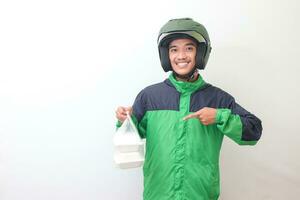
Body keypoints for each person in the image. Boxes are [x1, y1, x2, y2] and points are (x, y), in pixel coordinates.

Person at [115, 18, 262, 200]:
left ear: (200, 53)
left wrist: (219, 116)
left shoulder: (217, 98)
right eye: (174, 49)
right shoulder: (149, 96)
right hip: (158, 194)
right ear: (166, 55)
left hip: (200, 195)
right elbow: (131, 137)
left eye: (189, 48)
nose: (181, 56)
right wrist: (125, 121)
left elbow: (253, 131)